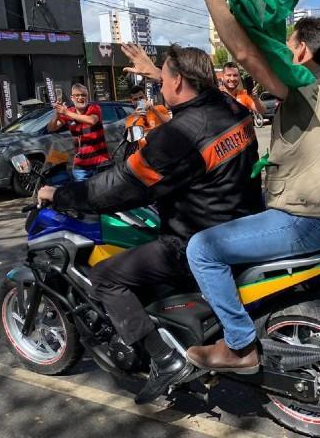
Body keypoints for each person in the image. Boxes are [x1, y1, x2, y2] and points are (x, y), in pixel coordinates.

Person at [38, 44, 262, 403]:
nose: (159, 87)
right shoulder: (231, 107)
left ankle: (165, 359)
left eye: (164, 78)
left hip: (194, 237)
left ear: (178, 81)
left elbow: (116, 188)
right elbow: (199, 92)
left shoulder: (176, 136)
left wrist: (59, 195)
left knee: (106, 277)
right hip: (240, 225)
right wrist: (157, 71)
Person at [184, 4, 320, 373]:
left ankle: (238, 344)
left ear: (301, 53)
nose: (282, 49)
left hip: (304, 219)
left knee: (202, 249)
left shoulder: (308, 87)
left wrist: (215, 2)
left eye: (288, 44)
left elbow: (246, 53)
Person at [47, 83, 110, 181]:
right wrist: (57, 113)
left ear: (87, 97)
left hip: (100, 163)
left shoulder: (94, 108)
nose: (81, 98)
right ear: (72, 98)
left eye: (84, 95)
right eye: (77, 95)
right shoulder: (69, 112)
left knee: (102, 194)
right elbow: (51, 128)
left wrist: (66, 112)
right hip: (81, 167)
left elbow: (91, 120)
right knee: (82, 194)